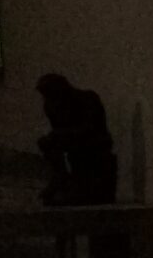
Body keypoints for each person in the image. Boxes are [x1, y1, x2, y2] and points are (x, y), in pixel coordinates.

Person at [35, 73, 116, 207]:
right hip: (73, 140)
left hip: (94, 142)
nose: (47, 98)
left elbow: (92, 128)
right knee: (46, 142)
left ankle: (72, 184)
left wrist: (63, 134)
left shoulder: (87, 99)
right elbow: (58, 128)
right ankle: (60, 176)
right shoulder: (51, 106)